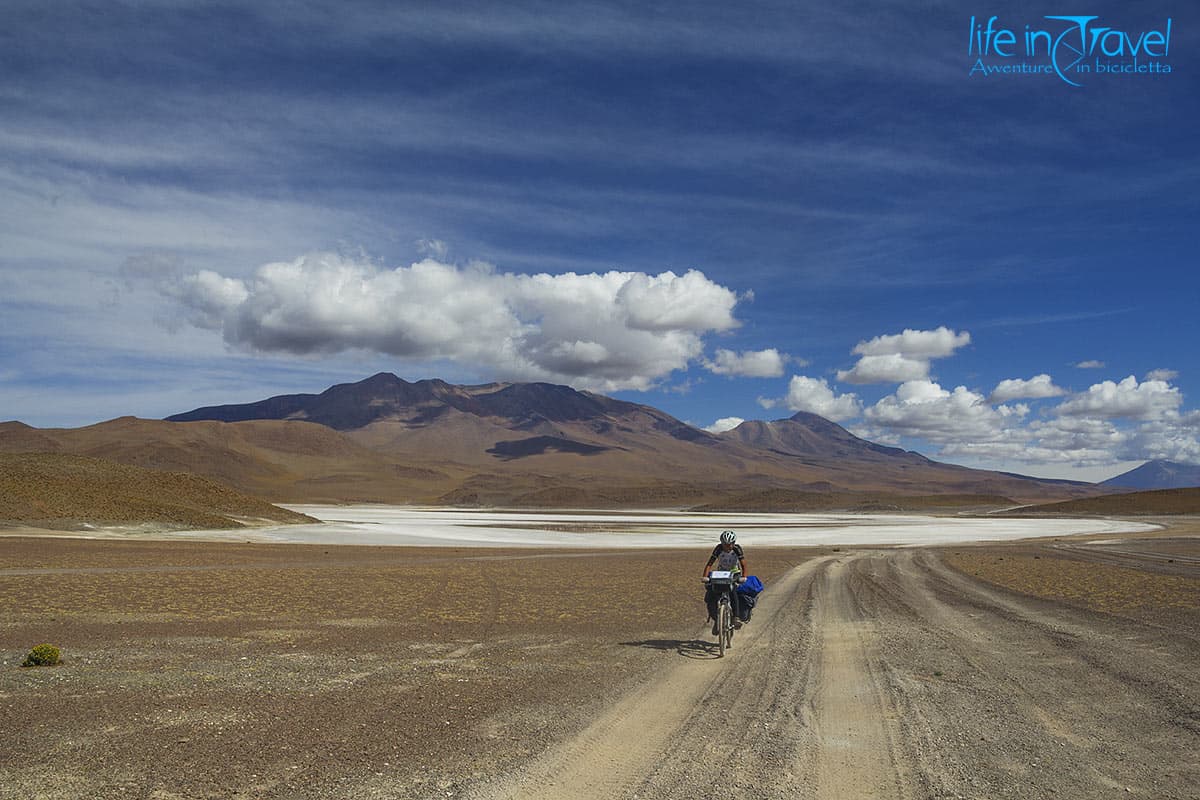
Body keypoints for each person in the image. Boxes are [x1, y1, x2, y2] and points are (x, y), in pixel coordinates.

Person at [702, 530, 747, 635]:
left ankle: (736, 617)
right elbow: (709, 563)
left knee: (733, 592)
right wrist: (704, 576)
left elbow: (744, 564)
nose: (729, 546)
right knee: (713, 594)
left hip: (734, 573)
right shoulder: (718, 549)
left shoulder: (737, 549)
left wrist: (744, 577)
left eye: (731, 544)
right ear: (722, 543)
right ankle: (717, 620)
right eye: (726, 544)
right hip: (721, 573)